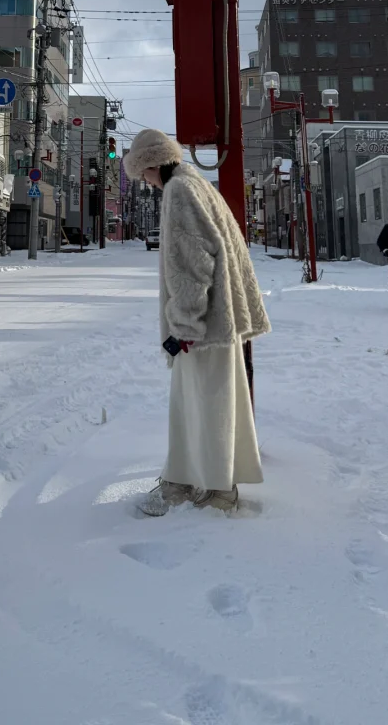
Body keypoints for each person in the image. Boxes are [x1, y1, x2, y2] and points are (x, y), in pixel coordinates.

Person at [123, 128, 271, 517]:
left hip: (203, 324)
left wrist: (184, 325)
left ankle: (207, 488)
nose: (147, 184)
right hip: (220, 319)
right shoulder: (197, 183)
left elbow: (191, 264)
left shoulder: (179, 191)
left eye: (143, 175)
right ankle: (196, 481)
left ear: (152, 164)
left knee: (200, 403)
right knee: (214, 400)